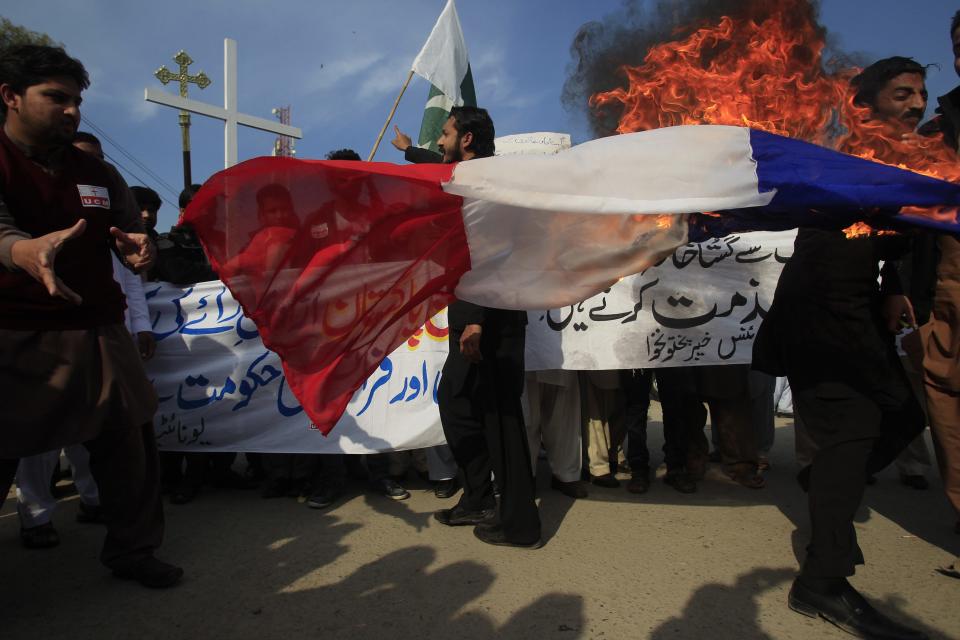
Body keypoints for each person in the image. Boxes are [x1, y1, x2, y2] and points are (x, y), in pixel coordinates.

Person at [753, 57, 929, 639]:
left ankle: (830, 481)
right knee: (851, 434)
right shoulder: (844, 155)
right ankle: (822, 583)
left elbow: (884, 238)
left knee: (900, 416)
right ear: (867, 104)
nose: (916, 104)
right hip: (820, 313)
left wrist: (894, 288)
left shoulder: (904, 162)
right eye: (902, 94)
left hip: (859, 310)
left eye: (921, 95)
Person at [0, 44, 181, 588]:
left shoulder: (97, 172)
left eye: (76, 100)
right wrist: (20, 251)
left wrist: (140, 251)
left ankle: (133, 550)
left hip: (99, 331)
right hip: (13, 331)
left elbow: (131, 232)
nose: (71, 110)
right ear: (9, 97)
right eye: (55, 98)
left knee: (129, 443)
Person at [431, 107, 542, 548]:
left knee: (501, 419)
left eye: (445, 134)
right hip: (478, 317)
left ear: (468, 139)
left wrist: (475, 319)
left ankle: (520, 525)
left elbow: (488, 253)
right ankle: (478, 496)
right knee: (457, 402)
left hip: (489, 321)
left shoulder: (484, 185)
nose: (440, 142)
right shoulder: (473, 179)